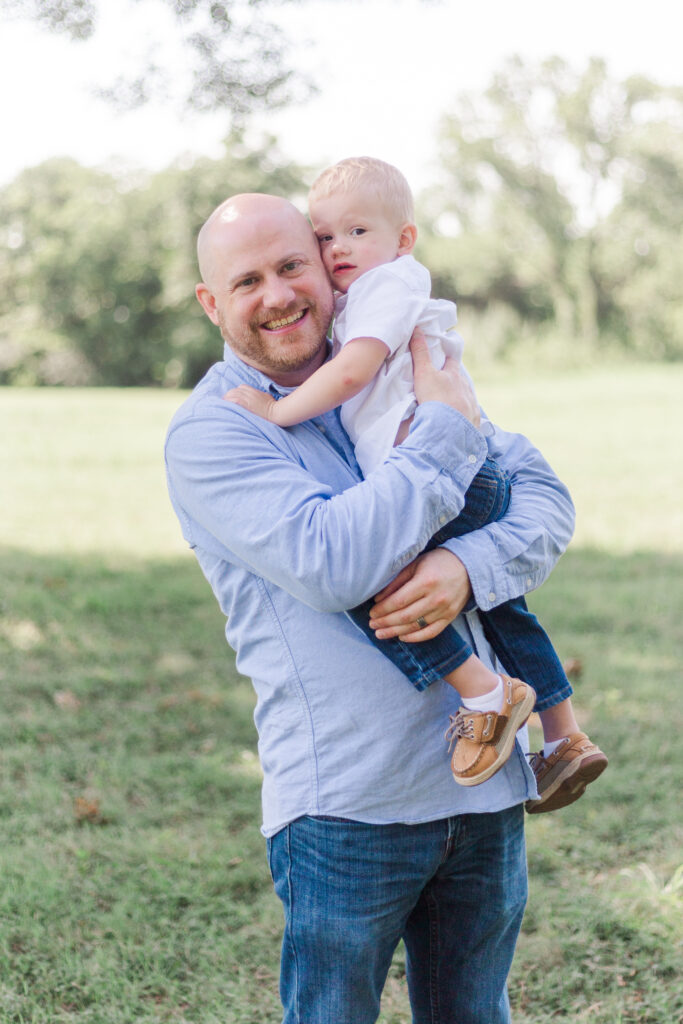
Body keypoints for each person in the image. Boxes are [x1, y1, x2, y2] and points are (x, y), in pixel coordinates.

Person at [165, 191, 573, 1024]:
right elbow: (333, 564)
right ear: (211, 303)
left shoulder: (390, 367)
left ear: (328, 266)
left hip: (483, 782)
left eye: (292, 266)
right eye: (247, 281)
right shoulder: (216, 430)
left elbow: (541, 497)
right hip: (349, 804)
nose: (278, 294)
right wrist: (445, 431)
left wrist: (466, 565)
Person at [224, 157, 607, 806]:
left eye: (357, 232)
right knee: (504, 608)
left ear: (403, 239)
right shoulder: (364, 298)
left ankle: (484, 694)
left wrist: (278, 410)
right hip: (464, 475)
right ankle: (564, 736)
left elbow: (353, 372)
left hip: (447, 479)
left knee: (373, 583)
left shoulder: (386, 287)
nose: (338, 249)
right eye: (325, 237)